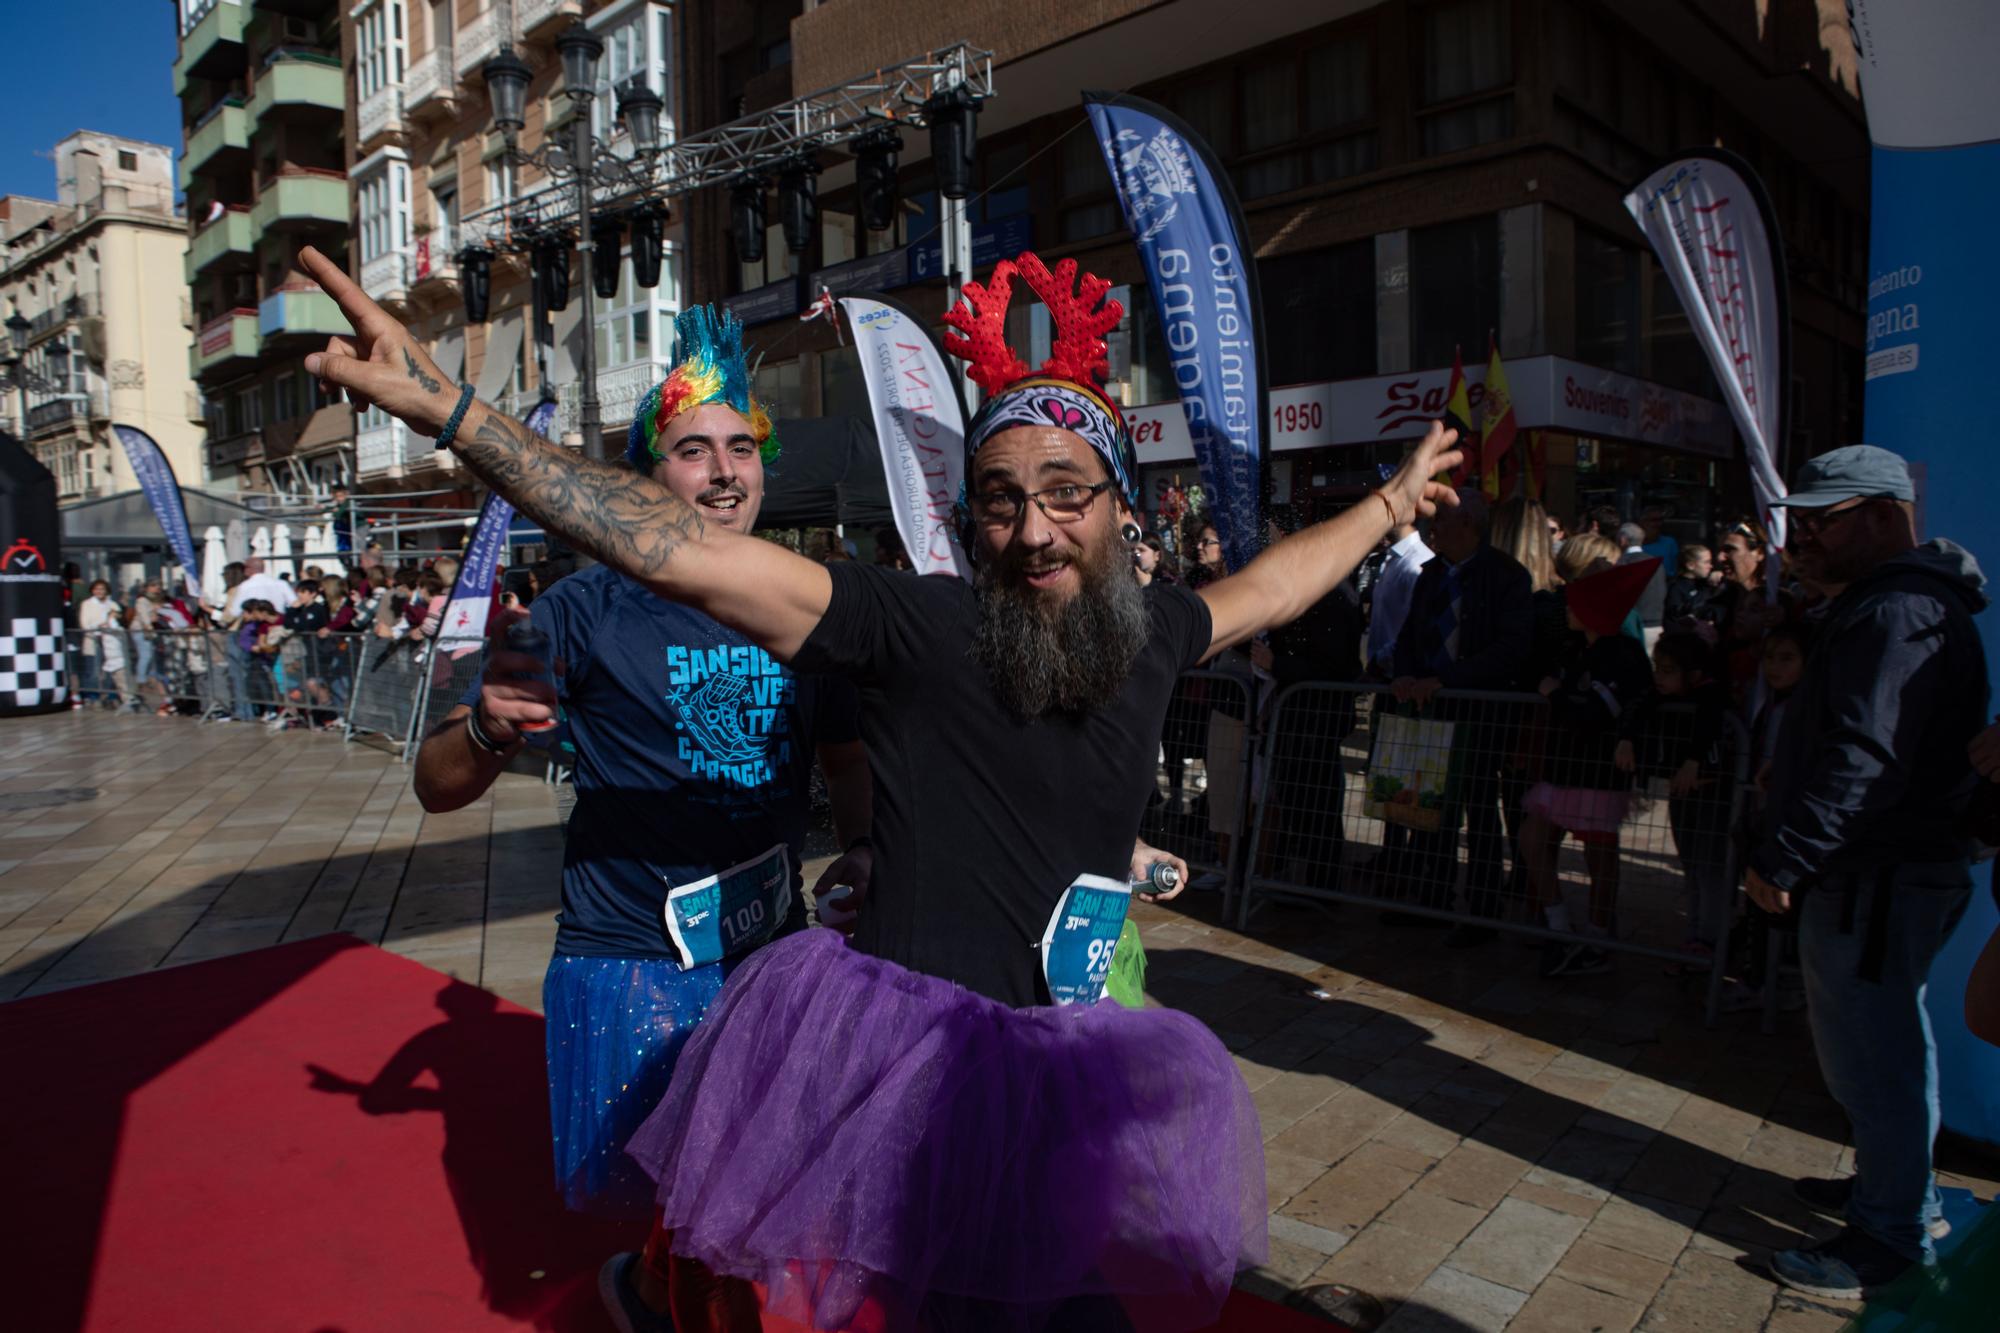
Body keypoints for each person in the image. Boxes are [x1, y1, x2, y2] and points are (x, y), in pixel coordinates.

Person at [302, 241, 1464, 1333]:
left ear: (1123, 504)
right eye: (1001, 499)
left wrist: (1386, 505)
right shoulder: (915, 626)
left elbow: (1270, 588)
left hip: (1064, 1067)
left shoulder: (1155, 629)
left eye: (1066, 492)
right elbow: (680, 550)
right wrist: (452, 411)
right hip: (913, 1081)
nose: (1033, 529)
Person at [408, 306, 878, 1331]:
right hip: (634, 962)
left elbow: (844, 755)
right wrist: (488, 728)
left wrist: (866, 843)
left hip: (770, 952)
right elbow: (437, 781)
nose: (721, 472)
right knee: (698, 1198)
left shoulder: (806, 601)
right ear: (645, 475)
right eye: (691, 449)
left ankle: (663, 1291)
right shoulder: (572, 613)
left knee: (759, 1182)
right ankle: (653, 1292)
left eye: (741, 448)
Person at [1742, 446, 1988, 1299]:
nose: (1799, 538)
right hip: (1883, 873)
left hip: (1874, 876)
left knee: (1872, 1059)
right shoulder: (1892, 604)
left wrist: (1785, 855)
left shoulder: (1899, 609)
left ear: (1883, 514)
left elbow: (1866, 757)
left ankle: (1888, 1234)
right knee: (1887, 1047)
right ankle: (1899, 1191)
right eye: (1796, 522)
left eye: (1820, 521)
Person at [1385, 487, 1532, 942]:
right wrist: (1406, 674)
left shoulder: (1507, 577)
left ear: (1468, 524)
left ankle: (1483, 908)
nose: (1434, 530)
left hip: (1479, 711)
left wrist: (1451, 679)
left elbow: (1511, 648)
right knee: (1429, 806)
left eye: (1442, 521)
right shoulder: (1431, 575)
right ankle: (1433, 897)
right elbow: (1411, 633)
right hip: (1430, 711)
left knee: (1480, 811)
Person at [1520, 557, 1659, 978]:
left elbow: (1597, 710)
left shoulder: (1622, 655)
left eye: (1576, 603)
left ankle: (1597, 938)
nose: (1566, 608)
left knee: (1600, 857)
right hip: (1566, 769)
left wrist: (1556, 694)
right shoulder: (1580, 648)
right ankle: (1560, 925)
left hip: (1598, 772)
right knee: (1532, 837)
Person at [1646, 631, 1735, 964]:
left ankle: (1709, 938)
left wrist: (1694, 761)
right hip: (1682, 795)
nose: (1659, 677)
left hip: (1712, 795)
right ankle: (1695, 935)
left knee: (1709, 870)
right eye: (1657, 668)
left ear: (1694, 673)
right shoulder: (1661, 697)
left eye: (1668, 670)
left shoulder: (1712, 697)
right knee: (1692, 868)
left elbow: (1712, 723)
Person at [1364, 510, 1433, 677]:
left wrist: (1380, 661)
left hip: (1404, 680)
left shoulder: (1418, 563)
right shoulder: (1391, 560)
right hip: (1386, 676)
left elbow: (1420, 628)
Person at [1618, 522, 1669, 649]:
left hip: (1632, 628)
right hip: (1656, 625)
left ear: (1622, 540)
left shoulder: (1622, 563)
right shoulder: (1656, 564)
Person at [1638, 505, 1680, 572]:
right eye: (1654, 520)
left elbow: (1675, 568)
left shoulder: (1670, 542)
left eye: (1660, 519)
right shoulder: (1634, 543)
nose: (1659, 523)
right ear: (1643, 522)